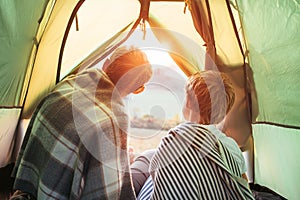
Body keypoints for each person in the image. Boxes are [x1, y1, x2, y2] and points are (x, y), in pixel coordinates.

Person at [10, 46, 152, 200]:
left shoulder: (68, 84)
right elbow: (107, 187)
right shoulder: (115, 119)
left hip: (33, 185)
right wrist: (123, 163)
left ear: (106, 65)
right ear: (135, 89)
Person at [137, 70, 254, 200]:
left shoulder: (173, 142)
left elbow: (162, 187)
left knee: (146, 160)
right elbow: (244, 187)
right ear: (224, 112)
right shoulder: (231, 146)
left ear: (188, 102)